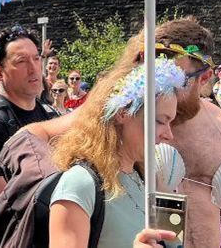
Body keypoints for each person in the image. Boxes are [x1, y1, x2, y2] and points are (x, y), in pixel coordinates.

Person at [122, 17, 221, 248]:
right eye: (158, 76)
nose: (164, 88)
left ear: (204, 77)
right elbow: (47, 134)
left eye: (177, 79)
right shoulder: (125, 118)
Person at [49, 59, 185, 248]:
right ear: (123, 113)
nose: (169, 135)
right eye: (161, 121)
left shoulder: (147, 178)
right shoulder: (80, 183)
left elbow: (173, 243)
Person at [0, 26, 55, 248]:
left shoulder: (47, 114)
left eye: (36, 58)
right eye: (21, 61)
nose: (34, 68)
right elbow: (2, 203)